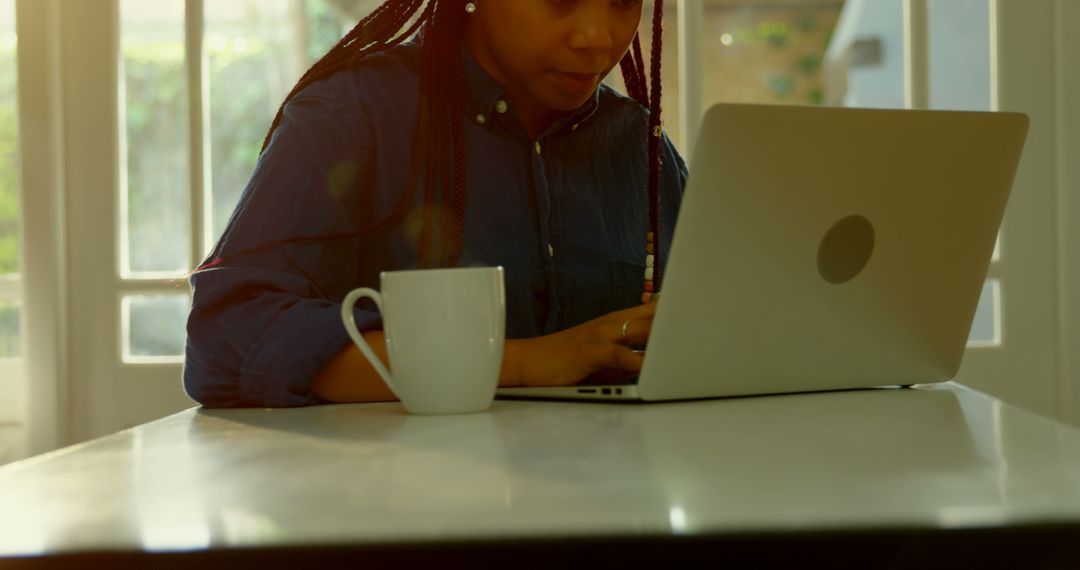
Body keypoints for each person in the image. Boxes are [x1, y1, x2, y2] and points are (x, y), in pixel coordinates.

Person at [183, 0, 687, 407]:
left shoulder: (642, 149)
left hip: (617, 513)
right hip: (400, 513)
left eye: (624, 2)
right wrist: (520, 362)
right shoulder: (350, 117)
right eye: (560, 1)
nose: (596, 37)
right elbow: (229, 337)